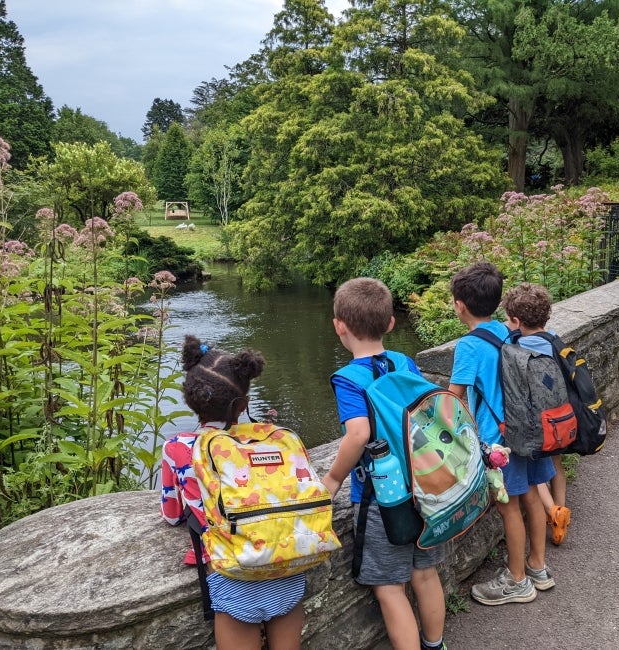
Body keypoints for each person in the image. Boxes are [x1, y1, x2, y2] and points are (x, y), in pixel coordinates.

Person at [322, 278, 448, 650]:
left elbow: (358, 434)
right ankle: (435, 645)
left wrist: (331, 479)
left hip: (382, 497)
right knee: (425, 574)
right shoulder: (403, 361)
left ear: (339, 326)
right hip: (424, 484)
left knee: (390, 588)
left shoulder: (348, 379)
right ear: (391, 324)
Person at [160, 335, 305, 650]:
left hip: (234, 574)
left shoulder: (178, 448)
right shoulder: (272, 440)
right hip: (288, 566)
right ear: (244, 403)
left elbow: (171, 515)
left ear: (190, 398)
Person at [446, 262, 556, 606]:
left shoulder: (469, 346)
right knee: (533, 497)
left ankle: (516, 581)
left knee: (508, 507)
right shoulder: (509, 330)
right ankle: (538, 567)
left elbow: (452, 399)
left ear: (459, 304)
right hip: (531, 432)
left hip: (500, 442)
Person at [501, 282, 572, 546]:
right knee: (556, 465)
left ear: (517, 321)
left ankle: (552, 512)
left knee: (536, 473)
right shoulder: (552, 338)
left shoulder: (519, 347)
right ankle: (562, 509)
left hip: (537, 423)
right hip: (561, 417)